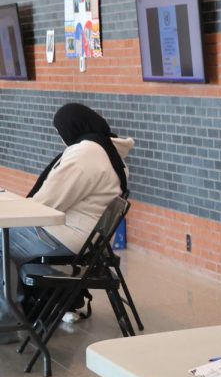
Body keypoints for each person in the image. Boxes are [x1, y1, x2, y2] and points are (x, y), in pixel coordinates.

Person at [5, 103, 133, 317]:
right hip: (87, 240)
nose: (62, 139)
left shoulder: (86, 153)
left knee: (2, 242)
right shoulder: (109, 151)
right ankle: (19, 309)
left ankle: (8, 319)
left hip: (65, 236)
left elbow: (47, 204)